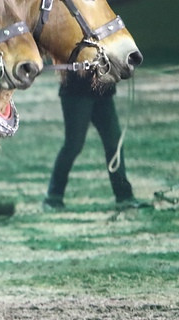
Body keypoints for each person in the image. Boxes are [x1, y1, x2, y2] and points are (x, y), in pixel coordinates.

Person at [42, 33, 150, 212]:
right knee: (74, 145)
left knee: (114, 144)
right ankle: (53, 196)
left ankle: (124, 196)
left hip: (103, 92)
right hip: (76, 93)